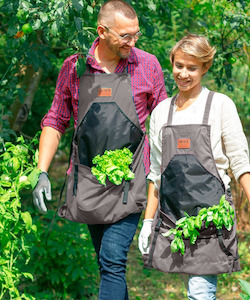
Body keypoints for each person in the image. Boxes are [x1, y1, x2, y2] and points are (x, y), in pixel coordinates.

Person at [32, 1, 167, 299]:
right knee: (107, 265)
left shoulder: (147, 65)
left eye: (136, 34)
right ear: (102, 31)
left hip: (131, 180)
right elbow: (56, 119)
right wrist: (42, 171)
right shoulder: (74, 67)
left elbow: (163, 124)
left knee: (112, 260)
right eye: (125, 36)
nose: (133, 42)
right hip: (89, 180)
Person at [138, 33, 250, 299]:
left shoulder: (220, 105)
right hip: (172, 220)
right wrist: (148, 220)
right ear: (172, 63)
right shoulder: (161, 112)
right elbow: (156, 174)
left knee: (199, 293)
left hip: (211, 221)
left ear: (205, 67)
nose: (183, 74)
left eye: (192, 68)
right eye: (179, 66)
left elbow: (240, 163)